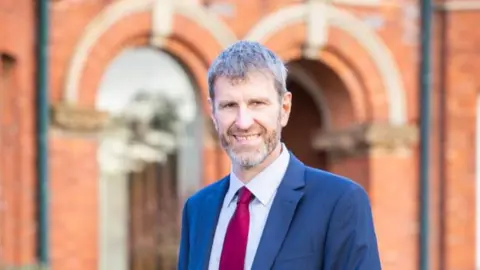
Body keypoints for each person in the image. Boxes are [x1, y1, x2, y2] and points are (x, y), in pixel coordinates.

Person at [177, 40, 381, 270]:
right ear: (213, 113)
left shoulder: (339, 202)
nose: (243, 122)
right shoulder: (197, 209)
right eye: (229, 105)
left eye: (257, 103)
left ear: (284, 109)